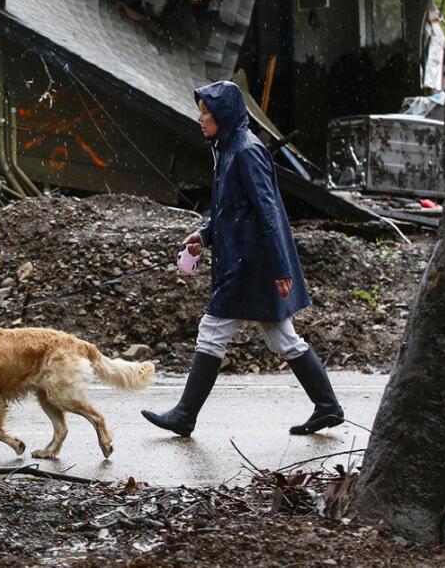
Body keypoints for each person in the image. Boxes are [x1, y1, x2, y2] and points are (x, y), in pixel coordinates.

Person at [142, 81, 344, 437]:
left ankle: (185, 415)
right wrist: (204, 235)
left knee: (213, 330)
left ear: (223, 114)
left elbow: (269, 213)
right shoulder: (228, 147)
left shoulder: (245, 151)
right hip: (249, 262)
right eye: (202, 111)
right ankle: (328, 406)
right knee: (283, 338)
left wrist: (282, 268)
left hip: (251, 266)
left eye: (206, 112)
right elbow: (230, 209)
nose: (200, 118)